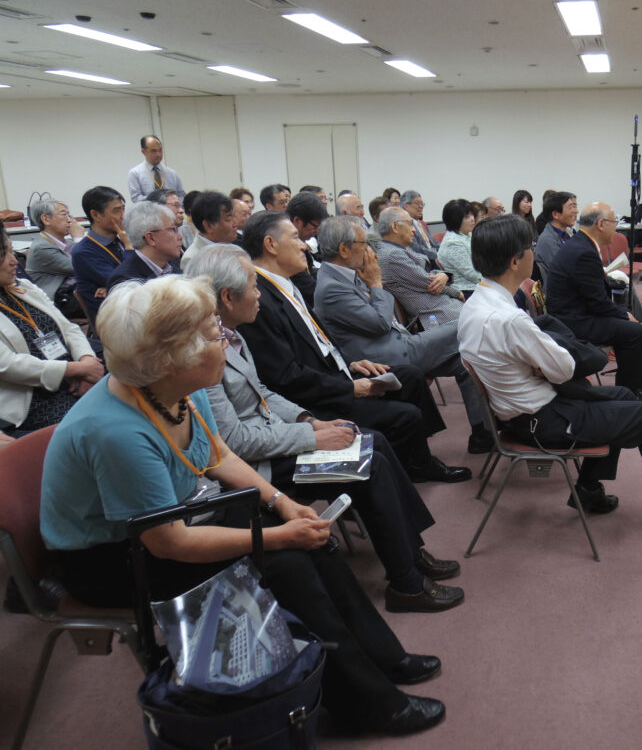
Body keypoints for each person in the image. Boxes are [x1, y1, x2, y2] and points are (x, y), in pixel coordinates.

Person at [39, 275, 447, 735]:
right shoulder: (116, 432)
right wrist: (276, 536)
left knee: (311, 541)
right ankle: (366, 704)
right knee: (284, 562)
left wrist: (281, 505)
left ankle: (380, 658)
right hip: (111, 560)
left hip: (179, 514)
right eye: (214, 335)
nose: (226, 340)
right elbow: (166, 543)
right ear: (172, 358)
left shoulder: (177, 389)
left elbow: (218, 454)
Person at [188, 244, 464, 612]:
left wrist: (309, 420)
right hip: (257, 468)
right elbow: (235, 441)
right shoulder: (206, 350)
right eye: (254, 287)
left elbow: (264, 393)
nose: (259, 294)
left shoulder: (230, 332)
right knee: (370, 462)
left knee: (374, 443)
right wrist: (313, 436)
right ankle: (407, 584)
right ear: (227, 297)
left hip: (278, 438)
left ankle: (412, 555)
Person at [458, 214, 642, 540]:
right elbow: (565, 368)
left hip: (524, 410)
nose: (534, 252)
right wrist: (548, 359)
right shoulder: (509, 319)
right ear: (515, 261)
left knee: (624, 397)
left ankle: (589, 489)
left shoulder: (476, 302)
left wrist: (542, 361)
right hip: (542, 421)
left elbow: (549, 364)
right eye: (530, 247)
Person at [235, 210, 471, 484]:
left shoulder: (288, 284)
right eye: (296, 238)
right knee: (406, 412)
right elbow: (286, 376)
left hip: (342, 368)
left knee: (411, 376)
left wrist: (350, 364)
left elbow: (320, 343)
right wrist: (350, 386)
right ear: (271, 245)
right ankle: (413, 463)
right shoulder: (261, 299)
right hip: (316, 396)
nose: (305, 245)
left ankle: (417, 457)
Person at [313, 217, 491, 453]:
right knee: (470, 320)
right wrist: (376, 284)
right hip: (387, 355)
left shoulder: (346, 273)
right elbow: (380, 323)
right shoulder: (331, 287)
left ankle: (482, 434)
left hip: (398, 341)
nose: (369, 250)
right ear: (344, 250)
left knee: (466, 362)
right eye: (364, 243)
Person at [545, 203, 642, 393]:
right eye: (614, 222)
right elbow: (597, 303)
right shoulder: (584, 251)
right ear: (601, 224)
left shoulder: (581, 244)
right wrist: (624, 315)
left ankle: (634, 379)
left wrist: (622, 313)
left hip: (573, 312)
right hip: (572, 320)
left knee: (628, 321)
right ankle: (630, 388)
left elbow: (593, 296)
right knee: (635, 331)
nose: (616, 227)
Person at [0, 223, 104, 436]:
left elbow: (69, 328)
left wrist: (86, 361)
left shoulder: (23, 287)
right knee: (98, 428)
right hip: (33, 401)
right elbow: (8, 365)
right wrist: (73, 370)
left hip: (72, 378)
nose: (14, 261)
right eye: (4, 255)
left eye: (11, 250)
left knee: (127, 408)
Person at [376, 207, 464, 328]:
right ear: (395, 227)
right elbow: (429, 283)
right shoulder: (392, 255)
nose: (414, 230)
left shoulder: (395, 249)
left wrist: (444, 276)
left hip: (441, 307)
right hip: (436, 315)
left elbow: (427, 273)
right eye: (410, 224)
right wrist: (457, 293)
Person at [71, 186, 127, 320]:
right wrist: (130, 247)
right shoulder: (84, 252)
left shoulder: (120, 241)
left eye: (123, 209)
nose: (123, 216)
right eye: (117, 211)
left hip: (132, 307)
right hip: (114, 320)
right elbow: (125, 283)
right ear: (95, 215)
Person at [107, 201, 183, 289]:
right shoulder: (126, 281)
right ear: (151, 238)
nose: (180, 236)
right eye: (173, 229)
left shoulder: (175, 271)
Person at [25, 199, 81, 315]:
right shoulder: (42, 247)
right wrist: (79, 238)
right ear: (46, 219)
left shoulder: (63, 243)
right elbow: (80, 267)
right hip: (59, 301)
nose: (69, 220)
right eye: (64, 214)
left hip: (73, 292)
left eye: (69, 215)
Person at [179, 191, 237, 273]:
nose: (235, 224)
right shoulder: (192, 259)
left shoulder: (233, 248)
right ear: (209, 226)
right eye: (228, 219)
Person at [436, 199, 481, 296]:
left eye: (472, 215)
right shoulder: (453, 243)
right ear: (455, 219)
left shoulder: (467, 234)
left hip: (477, 285)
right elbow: (472, 274)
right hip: (466, 290)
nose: (472, 219)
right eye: (467, 217)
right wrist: (496, 277)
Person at [128, 135, 185, 203]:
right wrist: (156, 199)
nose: (158, 154)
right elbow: (136, 199)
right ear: (144, 152)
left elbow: (181, 196)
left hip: (171, 212)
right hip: (149, 212)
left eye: (160, 150)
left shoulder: (172, 173)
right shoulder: (135, 173)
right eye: (153, 151)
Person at [534, 191, 577, 270]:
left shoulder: (566, 234)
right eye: (570, 208)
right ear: (555, 214)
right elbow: (565, 271)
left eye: (575, 207)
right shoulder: (547, 240)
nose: (576, 211)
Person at [399, 190, 439, 266]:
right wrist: (440, 255)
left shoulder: (420, 224)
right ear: (406, 206)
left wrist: (445, 251)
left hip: (435, 260)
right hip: (426, 264)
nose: (421, 207)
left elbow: (433, 244)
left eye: (422, 204)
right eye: (417, 203)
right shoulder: (404, 225)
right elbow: (417, 250)